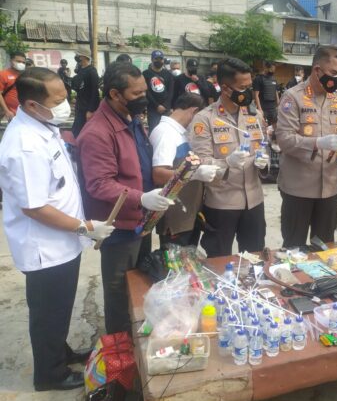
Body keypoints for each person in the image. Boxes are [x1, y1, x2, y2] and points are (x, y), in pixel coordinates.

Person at [0, 67, 114, 391]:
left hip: (61, 242)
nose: (67, 104)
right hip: (45, 247)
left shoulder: (42, 124)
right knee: (49, 311)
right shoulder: (24, 145)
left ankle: (59, 352)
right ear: (33, 104)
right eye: (59, 99)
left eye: (67, 96)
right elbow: (34, 207)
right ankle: (50, 374)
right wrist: (83, 227)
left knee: (59, 307)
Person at [78, 62, 173, 334]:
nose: (144, 98)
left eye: (145, 91)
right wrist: (141, 198)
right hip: (119, 226)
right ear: (114, 94)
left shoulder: (130, 117)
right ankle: (119, 352)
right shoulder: (98, 132)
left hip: (140, 218)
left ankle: (136, 339)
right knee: (120, 292)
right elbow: (98, 184)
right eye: (136, 94)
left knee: (140, 284)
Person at [276, 46, 337, 247]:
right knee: (293, 246)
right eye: (333, 73)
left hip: (329, 187)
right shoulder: (292, 97)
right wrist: (317, 143)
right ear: (317, 70)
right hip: (299, 187)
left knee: (325, 247)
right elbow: (284, 140)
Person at [190, 58, 268, 257]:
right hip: (221, 204)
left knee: (254, 258)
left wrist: (264, 162)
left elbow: (263, 149)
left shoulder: (255, 115)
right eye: (243, 87)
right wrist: (227, 163)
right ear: (225, 88)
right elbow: (201, 163)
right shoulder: (205, 119)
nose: (248, 91)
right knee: (219, 260)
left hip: (254, 202)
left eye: (250, 86)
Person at [150, 93, 218, 247]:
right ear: (194, 112)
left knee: (189, 264)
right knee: (176, 267)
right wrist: (194, 174)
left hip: (188, 215)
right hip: (175, 218)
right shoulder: (165, 133)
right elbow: (158, 174)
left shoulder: (181, 132)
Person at [143, 50, 174, 132]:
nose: (159, 61)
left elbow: (171, 92)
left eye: (161, 59)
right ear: (152, 59)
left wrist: (165, 105)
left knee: (167, 132)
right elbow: (146, 92)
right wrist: (157, 106)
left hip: (166, 109)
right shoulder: (145, 74)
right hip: (153, 109)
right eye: (156, 59)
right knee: (154, 131)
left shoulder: (169, 74)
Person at [71, 50, 100, 137]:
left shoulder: (92, 71)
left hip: (87, 107)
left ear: (84, 57)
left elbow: (95, 92)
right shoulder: (81, 70)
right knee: (77, 130)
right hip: (80, 105)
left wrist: (91, 110)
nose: (77, 58)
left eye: (79, 56)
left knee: (84, 131)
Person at [0, 51, 27, 122]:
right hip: (9, 111)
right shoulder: (3, 74)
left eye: (23, 62)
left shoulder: (25, 75)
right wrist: (6, 111)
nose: (21, 64)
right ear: (11, 61)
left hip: (22, 111)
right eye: (18, 61)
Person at [252, 60, 280, 127]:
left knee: (275, 127)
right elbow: (256, 95)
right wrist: (260, 109)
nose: (272, 71)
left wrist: (278, 104)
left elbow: (275, 91)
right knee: (264, 126)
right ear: (266, 68)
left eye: (273, 69)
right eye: (271, 69)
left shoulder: (274, 79)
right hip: (263, 107)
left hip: (273, 107)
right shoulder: (258, 79)